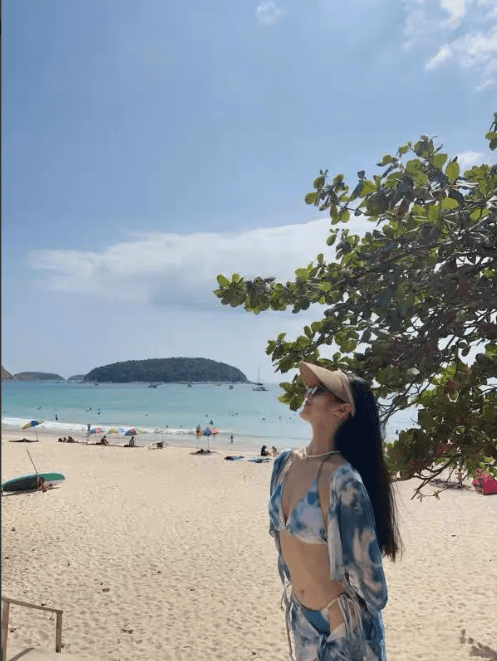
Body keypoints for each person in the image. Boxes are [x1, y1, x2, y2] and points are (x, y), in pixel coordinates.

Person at [269, 362, 401, 661]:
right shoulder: (284, 464)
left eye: (320, 390)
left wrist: (341, 619)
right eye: (311, 387)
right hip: (301, 620)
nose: (309, 392)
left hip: (343, 629)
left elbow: (373, 587)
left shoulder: (343, 481)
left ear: (342, 410)